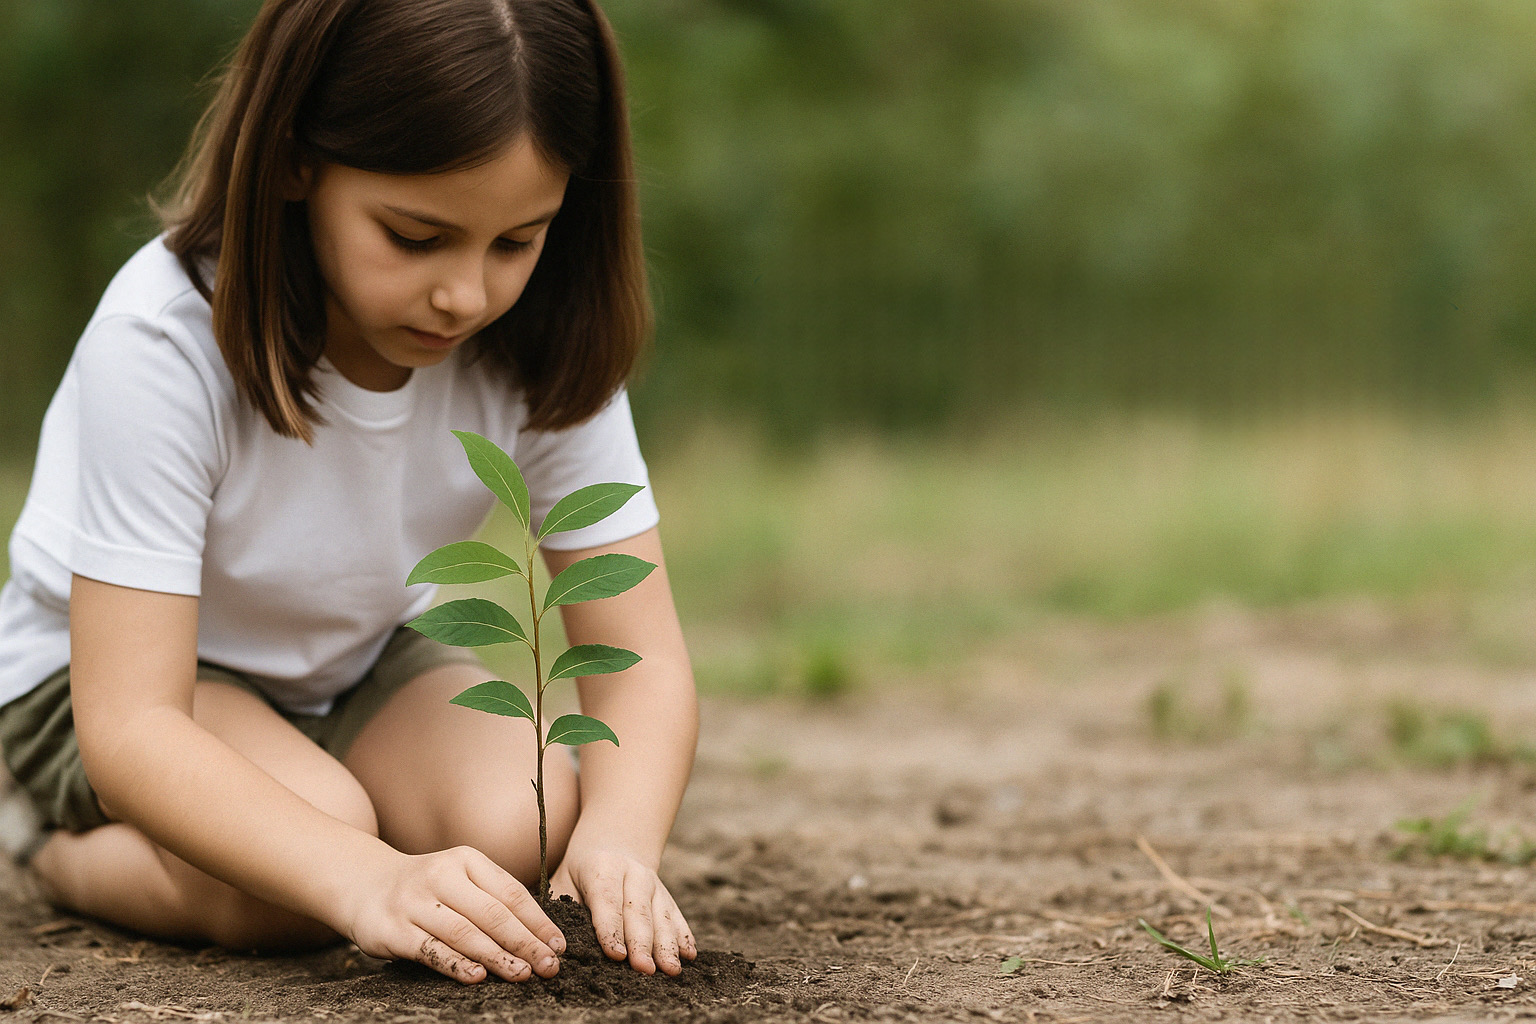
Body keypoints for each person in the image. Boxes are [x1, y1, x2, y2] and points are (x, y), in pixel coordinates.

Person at [0, 0, 699, 985]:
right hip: (108, 684)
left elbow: (641, 661)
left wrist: (621, 841)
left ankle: (338, 815)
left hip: (354, 663)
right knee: (293, 879)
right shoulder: (163, 341)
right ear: (293, 160)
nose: (466, 294)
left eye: (516, 241)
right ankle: (49, 844)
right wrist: (366, 879)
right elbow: (133, 727)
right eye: (416, 237)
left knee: (518, 825)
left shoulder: (538, 342)